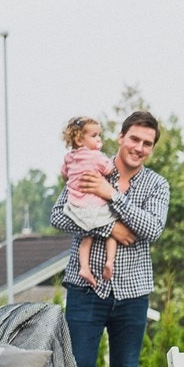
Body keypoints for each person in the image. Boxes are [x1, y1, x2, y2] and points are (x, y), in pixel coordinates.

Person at [50, 110, 169, 367]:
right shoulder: (91, 165)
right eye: (134, 139)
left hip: (133, 293)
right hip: (85, 289)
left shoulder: (157, 184)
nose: (139, 147)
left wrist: (112, 195)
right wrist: (109, 227)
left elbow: (151, 229)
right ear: (121, 137)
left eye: (147, 143)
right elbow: (59, 215)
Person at [60, 116, 117, 287]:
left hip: (75, 206)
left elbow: (64, 174)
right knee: (113, 229)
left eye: (99, 135)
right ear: (79, 139)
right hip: (93, 206)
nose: (99, 139)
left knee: (86, 238)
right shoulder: (96, 156)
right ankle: (110, 262)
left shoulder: (69, 157)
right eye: (94, 136)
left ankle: (84, 267)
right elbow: (109, 169)